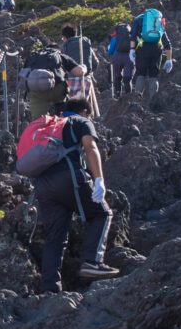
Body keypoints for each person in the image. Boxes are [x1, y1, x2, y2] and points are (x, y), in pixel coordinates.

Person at [19, 96, 119, 292]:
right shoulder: (81, 121)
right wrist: (99, 180)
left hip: (43, 185)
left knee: (55, 236)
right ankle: (92, 262)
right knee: (101, 214)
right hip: (69, 177)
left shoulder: (51, 125)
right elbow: (90, 147)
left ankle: (50, 287)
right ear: (83, 111)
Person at [20, 42, 85, 120]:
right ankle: (60, 122)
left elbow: (23, 76)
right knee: (61, 116)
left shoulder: (33, 57)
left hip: (37, 92)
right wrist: (84, 68)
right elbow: (79, 72)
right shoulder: (60, 56)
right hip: (57, 90)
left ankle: (39, 126)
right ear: (58, 50)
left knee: (38, 120)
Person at [130, 8, 173, 101]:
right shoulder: (158, 19)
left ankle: (137, 101)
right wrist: (169, 59)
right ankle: (153, 101)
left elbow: (133, 37)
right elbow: (167, 42)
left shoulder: (138, 19)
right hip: (157, 49)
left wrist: (132, 50)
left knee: (141, 74)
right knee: (153, 76)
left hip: (142, 49)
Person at [106, 17, 135, 100]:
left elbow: (110, 51)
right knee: (127, 79)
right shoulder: (131, 36)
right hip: (129, 57)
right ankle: (128, 98)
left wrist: (109, 50)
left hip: (117, 58)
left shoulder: (115, 38)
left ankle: (117, 96)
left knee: (118, 77)